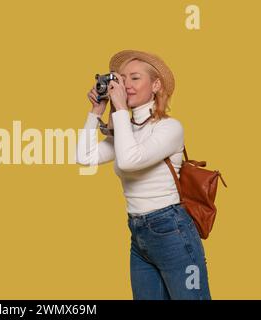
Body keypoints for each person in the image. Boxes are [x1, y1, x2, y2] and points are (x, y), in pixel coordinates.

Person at [76, 50, 211, 300]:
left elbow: (128, 161)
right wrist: (95, 113)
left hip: (171, 231)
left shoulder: (169, 128)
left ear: (156, 85)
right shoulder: (127, 132)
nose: (126, 84)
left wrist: (118, 109)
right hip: (139, 235)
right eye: (122, 78)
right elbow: (85, 157)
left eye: (135, 78)